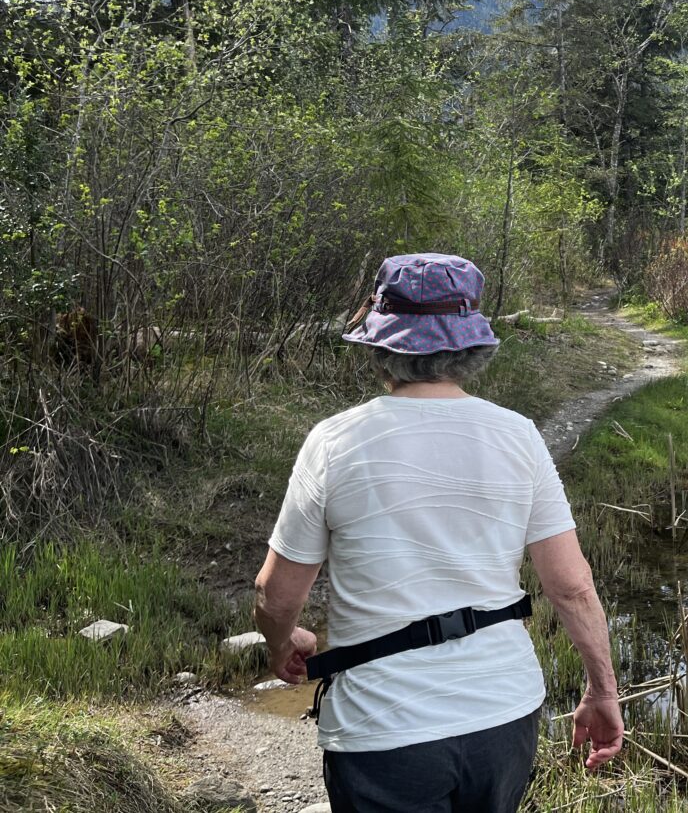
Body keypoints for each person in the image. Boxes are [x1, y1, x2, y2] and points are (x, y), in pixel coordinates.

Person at [252, 252, 624, 813]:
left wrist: (284, 645)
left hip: (383, 731)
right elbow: (571, 587)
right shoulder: (519, 437)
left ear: (380, 344)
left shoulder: (334, 442)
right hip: (503, 720)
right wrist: (602, 689)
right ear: (470, 345)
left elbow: (275, 595)